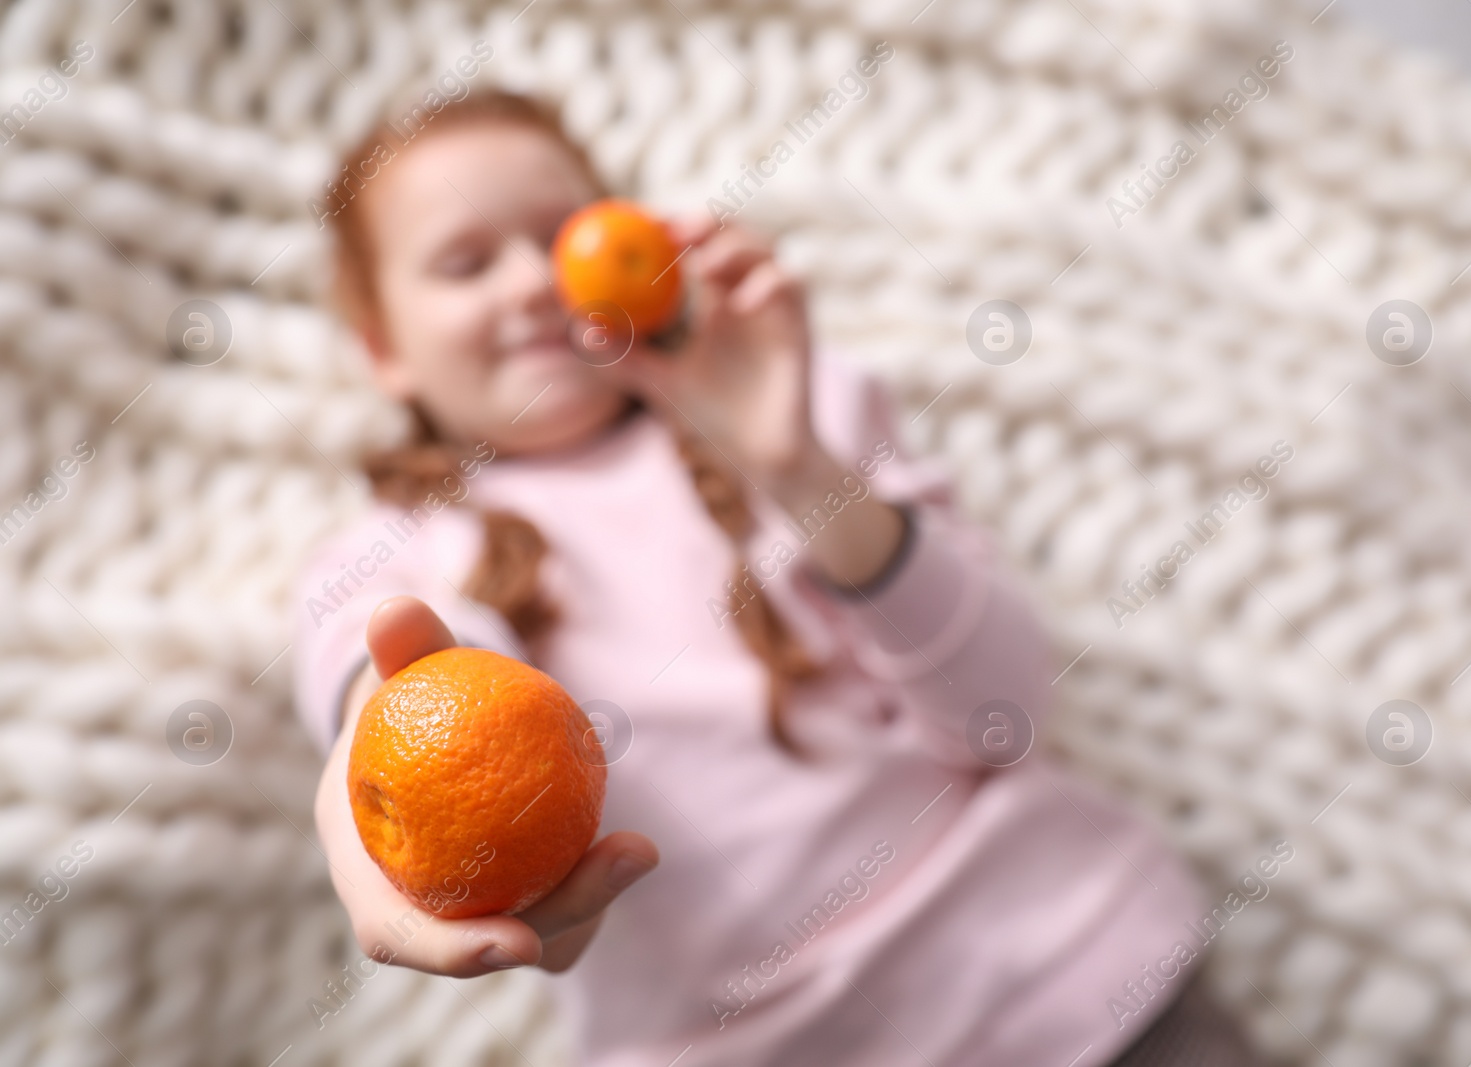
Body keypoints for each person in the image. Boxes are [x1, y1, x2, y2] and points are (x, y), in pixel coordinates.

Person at [293, 87, 1264, 1066]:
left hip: (1072, 973)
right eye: (465, 263)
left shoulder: (784, 404)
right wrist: (381, 785)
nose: (531, 282)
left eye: (559, 235)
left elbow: (1003, 713)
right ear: (383, 348)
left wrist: (798, 464)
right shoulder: (395, 555)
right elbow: (395, 679)